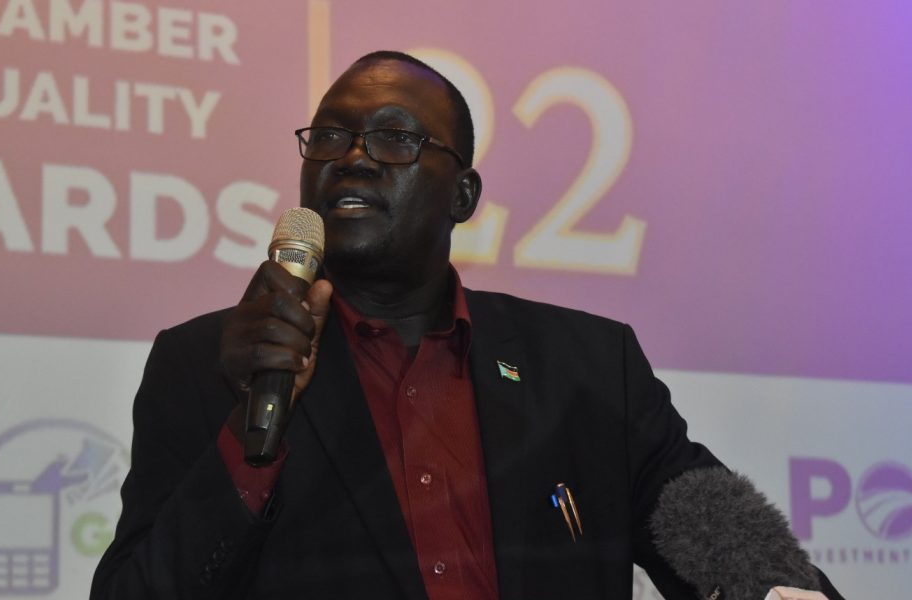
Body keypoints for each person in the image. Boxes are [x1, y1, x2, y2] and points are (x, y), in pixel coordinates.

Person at [91, 51, 842, 600]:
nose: (352, 159)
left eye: (396, 139)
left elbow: (719, 537)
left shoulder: (588, 367)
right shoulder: (207, 364)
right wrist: (249, 433)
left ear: (464, 196)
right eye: (329, 138)